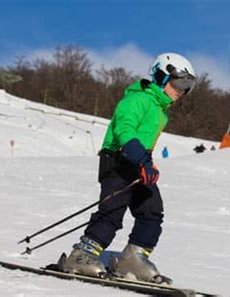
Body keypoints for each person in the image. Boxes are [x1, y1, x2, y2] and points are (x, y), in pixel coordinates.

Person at [57, 53, 196, 283]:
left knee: (151, 210)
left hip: (138, 163)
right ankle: (81, 255)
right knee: (112, 210)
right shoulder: (137, 99)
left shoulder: (160, 111)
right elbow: (125, 131)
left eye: (188, 85)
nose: (183, 90)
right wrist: (141, 160)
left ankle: (133, 258)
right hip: (118, 162)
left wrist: (146, 162)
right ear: (161, 76)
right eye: (180, 82)